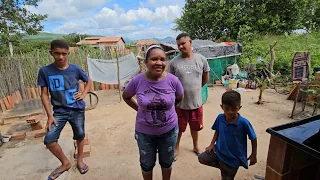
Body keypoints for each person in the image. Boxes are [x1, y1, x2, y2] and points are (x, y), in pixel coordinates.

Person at [122, 45, 184, 180]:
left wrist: (168, 108)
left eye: (162, 59)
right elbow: (126, 96)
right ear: (146, 62)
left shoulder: (173, 80)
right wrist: (139, 108)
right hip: (144, 133)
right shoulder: (137, 81)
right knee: (146, 164)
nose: (159, 63)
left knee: (167, 163)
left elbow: (180, 97)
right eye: (154, 59)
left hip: (169, 131)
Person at [37, 40, 92, 180]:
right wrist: (49, 116)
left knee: (80, 135)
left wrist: (84, 93)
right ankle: (65, 163)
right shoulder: (45, 71)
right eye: (57, 53)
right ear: (51, 53)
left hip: (77, 109)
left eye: (64, 54)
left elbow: (88, 80)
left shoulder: (75, 69)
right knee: (49, 140)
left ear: (68, 53)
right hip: (59, 112)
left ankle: (79, 160)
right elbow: (44, 94)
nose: (61, 57)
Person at [198, 90, 258, 180]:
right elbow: (217, 131)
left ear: (239, 108)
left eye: (234, 109)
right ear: (222, 107)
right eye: (226, 108)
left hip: (233, 158)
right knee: (202, 158)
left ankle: (226, 170)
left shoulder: (244, 123)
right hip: (219, 152)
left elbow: (253, 138)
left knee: (227, 178)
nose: (230, 112)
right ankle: (222, 167)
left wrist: (254, 154)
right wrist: (211, 144)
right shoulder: (220, 118)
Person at [168, 33, 210, 159]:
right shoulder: (174, 62)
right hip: (179, 104)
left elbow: (205, 79)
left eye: (183, 43)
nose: (180, 47)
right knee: (178, 128)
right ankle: (176, 147)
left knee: (195, 127)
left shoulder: (201, 59)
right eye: (178, 45)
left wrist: (194, 89)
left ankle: (196, 146)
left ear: (190, 42)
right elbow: (170, 82)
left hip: (196, 103)